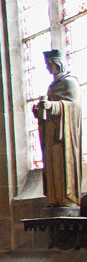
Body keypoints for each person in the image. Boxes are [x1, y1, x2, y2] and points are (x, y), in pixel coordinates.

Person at [33, 49, 82, 207]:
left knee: (62, 165)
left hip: (64, 136)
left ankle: (67, 200)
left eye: (49, 64)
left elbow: (75, 106)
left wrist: (53, 106)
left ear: (57, 64)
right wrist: (39, 111)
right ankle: (54, 198)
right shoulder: (52, 86)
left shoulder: (70, 82)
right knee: (52, 166)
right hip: (52, 133)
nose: (47, 67)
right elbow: (49, 111)